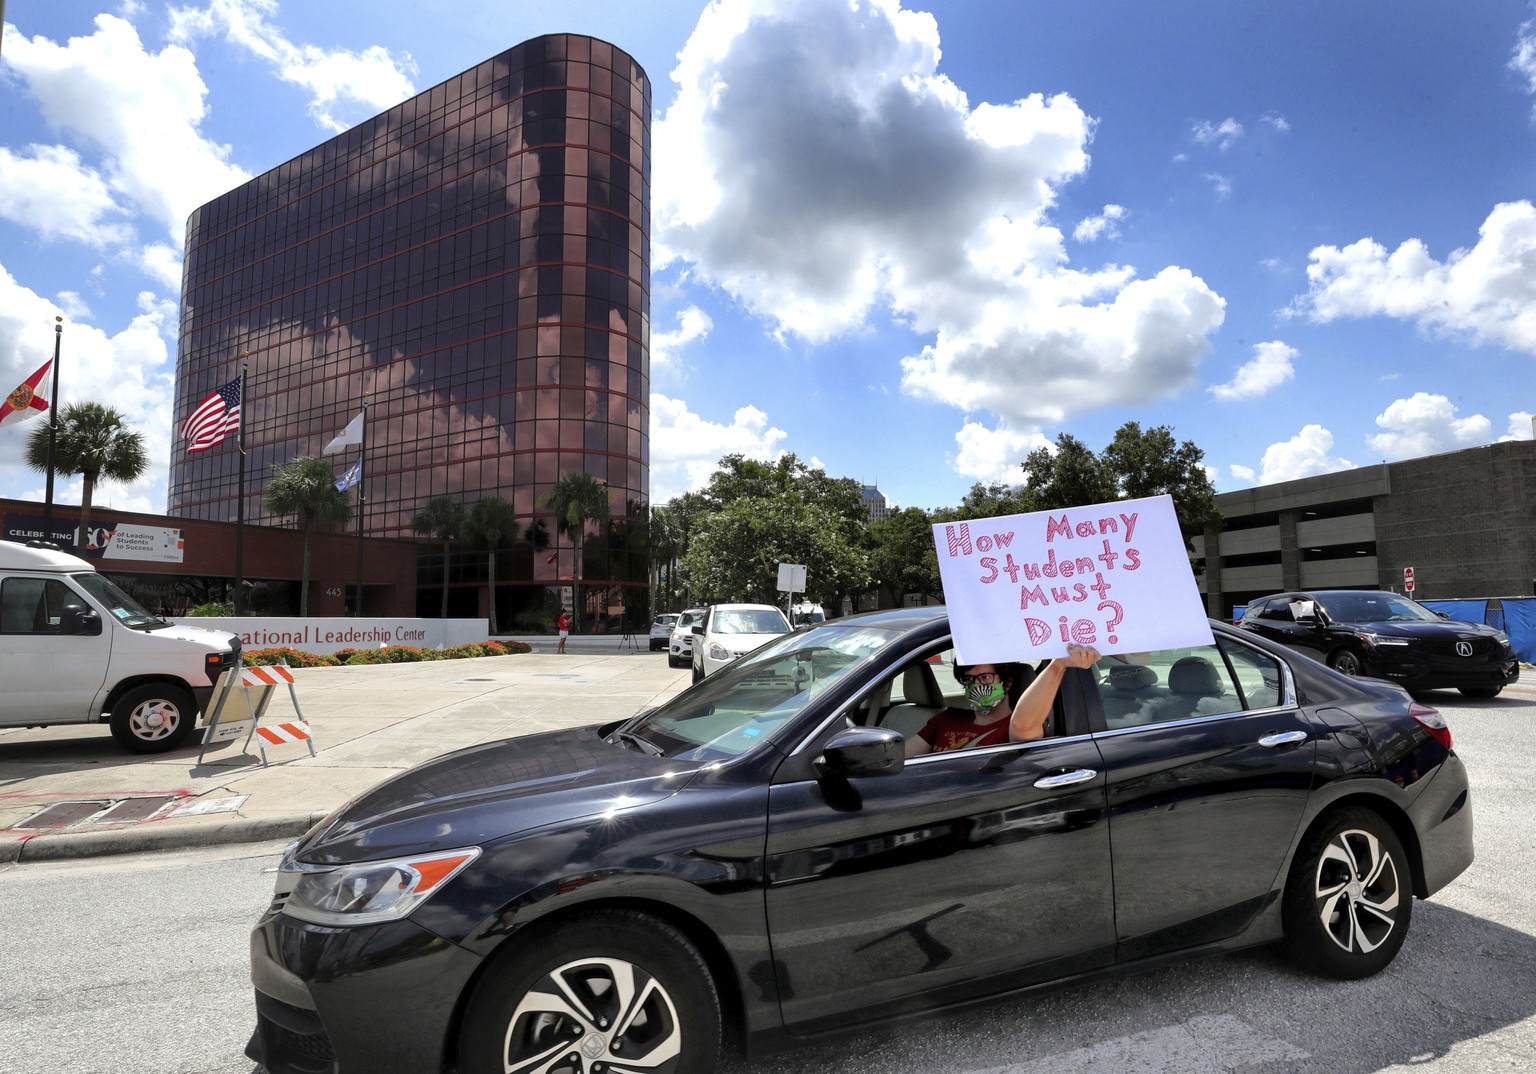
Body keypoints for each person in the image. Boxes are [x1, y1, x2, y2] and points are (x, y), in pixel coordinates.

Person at [905, 643, 1100, 756]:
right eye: (969, 679)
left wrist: (1058, 665)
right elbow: (900, 759)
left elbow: (1023, 725)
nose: (976, 685)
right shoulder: (946, 719)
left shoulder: (1013, 726)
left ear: (1006, 683)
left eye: (985, 678)